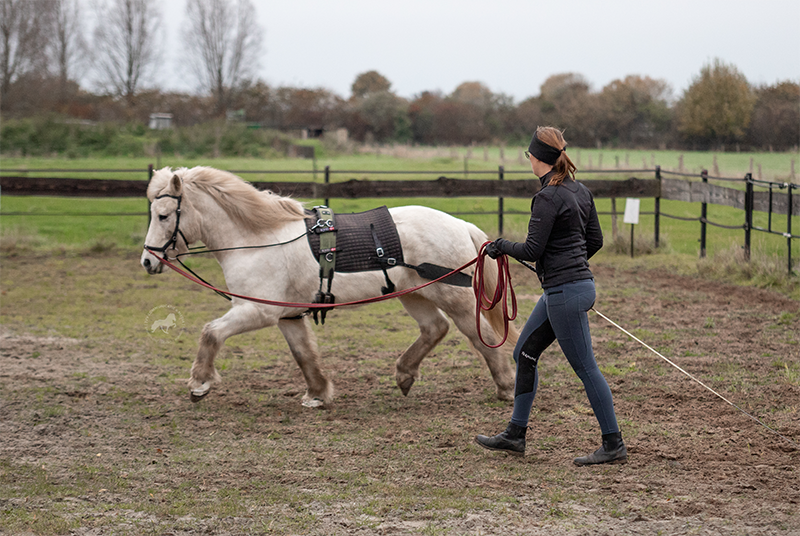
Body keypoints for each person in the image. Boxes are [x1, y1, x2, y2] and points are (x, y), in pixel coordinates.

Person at [475, 126, 627, 466]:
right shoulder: (581, 191)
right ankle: (515, 434)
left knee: (587, 368)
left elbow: (532, 248)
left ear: (537, 158)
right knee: (525, 352)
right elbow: (595, 242)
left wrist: (500, 247)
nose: (527, 159)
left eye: (528, 154)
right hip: (567, 289)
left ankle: (613, 443)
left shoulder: (547, 197)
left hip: (565, 293)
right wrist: (565, 266)